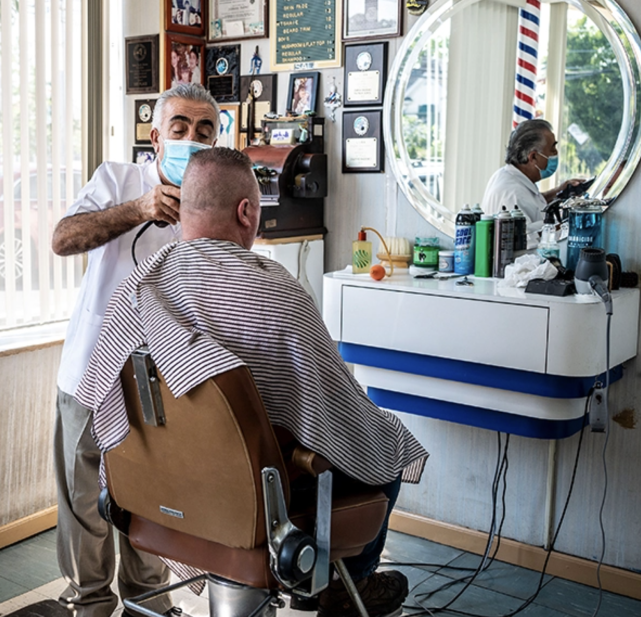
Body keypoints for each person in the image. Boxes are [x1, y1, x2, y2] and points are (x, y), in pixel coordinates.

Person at [75, 148, 429, 617]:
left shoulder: (138, 288)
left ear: (183, 212)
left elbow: (103, 403)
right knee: (387, 445)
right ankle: (343, 589)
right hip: (253, 504)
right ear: (247, 212)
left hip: (160, 493)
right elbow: (341, 415)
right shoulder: (276, 291)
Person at [50, 83, 220, 617]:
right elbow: (62, 238)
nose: (191, 139)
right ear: (155, 137)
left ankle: (148, 605)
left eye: (204, 131)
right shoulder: (117, 179)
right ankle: (89, 604)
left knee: (152, 502)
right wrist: (138, 209)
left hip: (160, 383)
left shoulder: (209, 207)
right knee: (84, 504)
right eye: (180, 128)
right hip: (91, 370)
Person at [481, 119, 582, 246]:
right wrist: (570, 224)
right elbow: (529, 244)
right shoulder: (512, 194)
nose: (556, 153)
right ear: (533, 157)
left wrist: (558, 192)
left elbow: (531, 201)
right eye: (552, 148)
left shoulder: (508, 176)